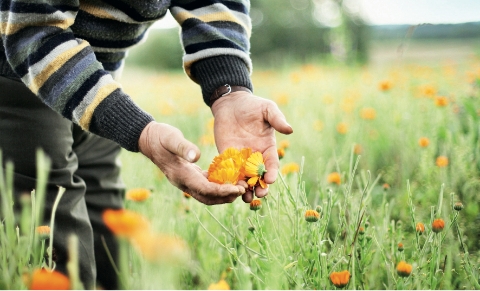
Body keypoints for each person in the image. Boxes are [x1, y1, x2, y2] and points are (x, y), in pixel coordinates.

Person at [0, 0, 292, 289]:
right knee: (53, 242)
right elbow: (33, 29)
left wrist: (229, 90)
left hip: (98, 77)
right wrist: (137, 129)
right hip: (20, 71)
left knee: (108, 232)